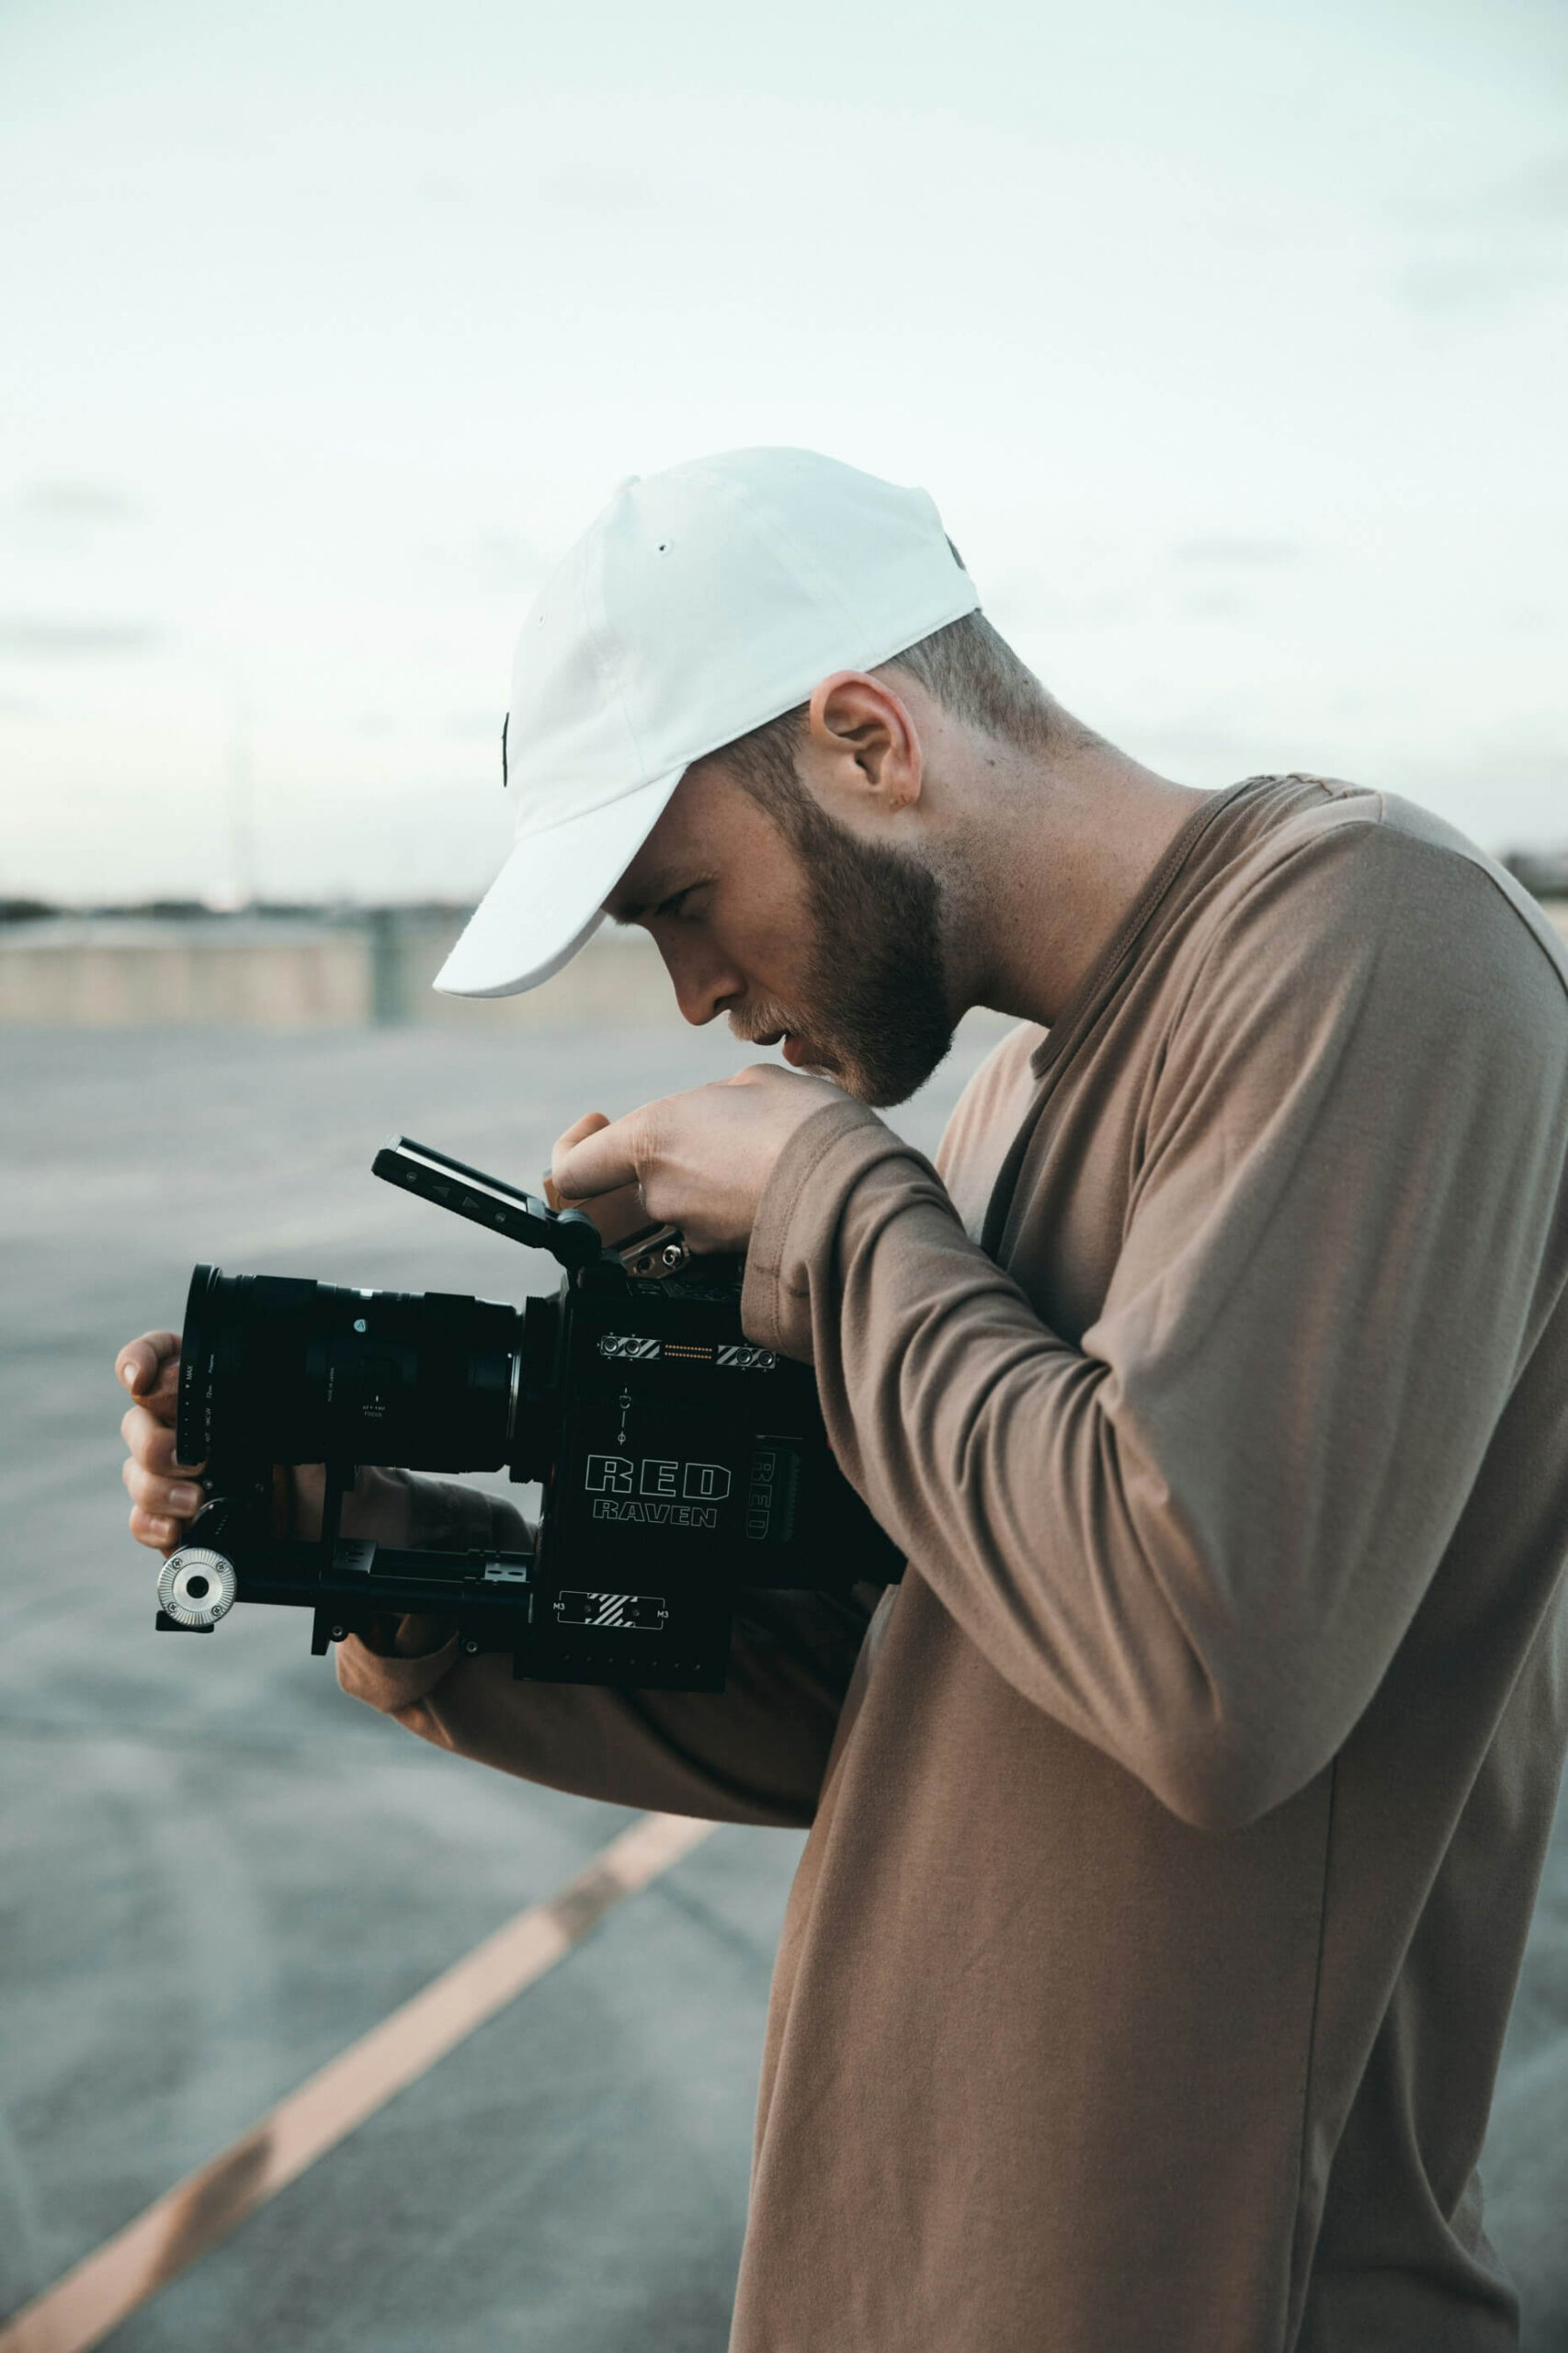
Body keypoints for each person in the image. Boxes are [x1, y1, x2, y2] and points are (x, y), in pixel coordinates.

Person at [117, 449, 1568, 2352]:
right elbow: (884, 1704)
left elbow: (1213, 1669)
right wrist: (394, 1557)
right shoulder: (1002, 1100)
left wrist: (827, 1203)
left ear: (868, 738)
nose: (696, 991)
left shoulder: (1371, 935)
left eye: (682, 897)